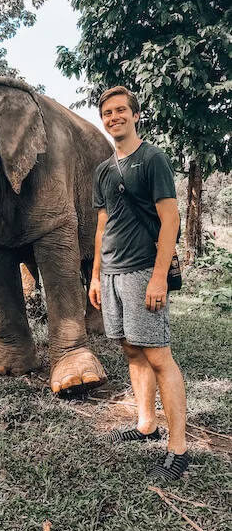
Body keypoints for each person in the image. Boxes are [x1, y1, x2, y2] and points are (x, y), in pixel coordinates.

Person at [89, 86, 189, 482]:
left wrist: (159, 275)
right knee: (131, 350)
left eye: (120, 111)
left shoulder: (153, 158)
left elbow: (171, 220)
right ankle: (146, 424)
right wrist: (95, 274)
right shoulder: (103, 169)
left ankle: (178, 450)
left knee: (159, 356)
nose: (113, 117)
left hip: (143, 271)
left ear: (135, 115)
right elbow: (101, 226)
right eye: (107, 113)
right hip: (111, 272)